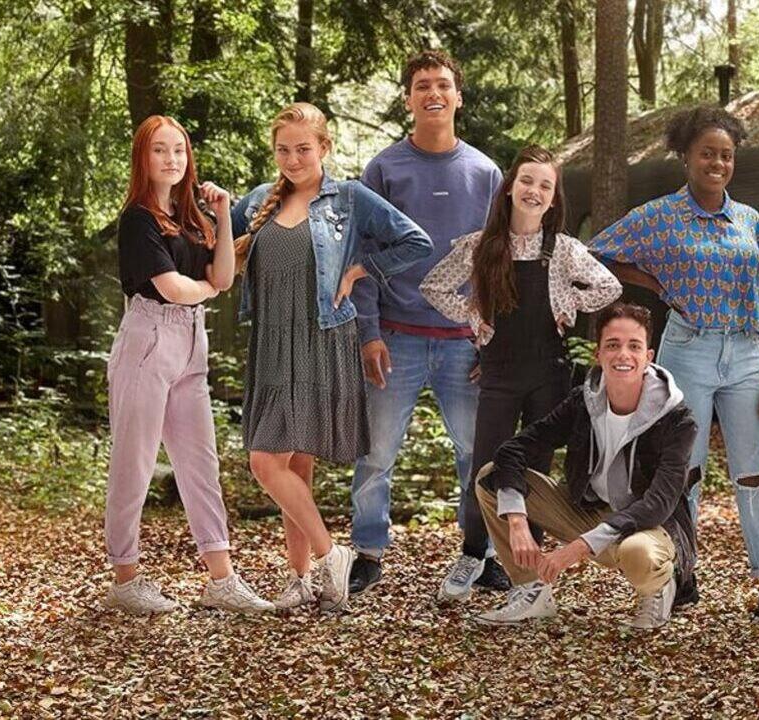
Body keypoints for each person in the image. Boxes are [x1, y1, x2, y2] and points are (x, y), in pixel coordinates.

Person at [588, 106, 759, 628]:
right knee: (682, 469)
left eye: (726, 155)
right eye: (707, 154)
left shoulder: (749, 220)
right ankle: (682, 575)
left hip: (745, 356)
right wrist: (654, 283)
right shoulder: (661, 216)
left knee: (754, 474)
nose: (718, 163)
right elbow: (597, 251)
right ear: (686, 158)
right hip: (687, 350)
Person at [231, 102, 432, 613]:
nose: (293, 159)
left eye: (304, 148)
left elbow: (415, 241)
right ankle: (302, 578)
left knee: (266, 461)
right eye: (283, 150)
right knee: (291, 466)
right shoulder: (258, 201)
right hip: (271, 341)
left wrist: (360, 269)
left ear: (324, 147)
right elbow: (213, 245)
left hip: (321, 339)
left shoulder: (349, 198)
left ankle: (330, 555)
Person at [420, 145, 621, 601]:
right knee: (486, 466)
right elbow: (433, 286)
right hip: (498, 374)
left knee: (535, 472)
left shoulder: (564, 250)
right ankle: (473, 553)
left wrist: (570, 301)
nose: (534, 191)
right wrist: (473, 314)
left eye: (545, 186)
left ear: (553, 199)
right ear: (510, 187)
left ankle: (528, 576)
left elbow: (609, 286)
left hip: (548, 374)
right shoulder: (480, 246)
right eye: (527, 181)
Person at [348, 50, 507, 600]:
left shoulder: (486, 173)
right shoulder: (384, 170)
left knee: (476, 454)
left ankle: (481, 554)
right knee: (376, 454)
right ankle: (367, 553)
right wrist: (369, 332)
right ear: (408, 99)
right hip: (396, 337)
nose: (433, 93)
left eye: (442, 84)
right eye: (422, 85)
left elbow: (498, 264)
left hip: (464, 342)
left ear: (458, 96)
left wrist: (492, 339)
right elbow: (361, 253)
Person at [103, 115, 272, 615]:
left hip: (191, 344)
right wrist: (206, 289)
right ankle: (125, 579)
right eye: (160, 150)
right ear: (143, 157)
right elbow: (175, 288)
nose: (171, 159)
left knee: (201, 463)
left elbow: (224, 275)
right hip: (148, 341)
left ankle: (221, 580)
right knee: (134, 463)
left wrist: (222, 216)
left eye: (178, 149)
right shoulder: (137, 219)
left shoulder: (193, 217)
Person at [473, 303, 697, 629]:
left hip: (648, 526)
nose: (623, 355)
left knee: (639, 553)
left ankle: (658, 590)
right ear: (598, 354)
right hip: (587, 512)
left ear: (648, 356)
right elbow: (513, 450)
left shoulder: (677, 419)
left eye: (634, 346)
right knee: (491, 478)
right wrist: (517, 520)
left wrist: (579, 547)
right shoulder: (583, 402)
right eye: (613, 345)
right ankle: (531, 590)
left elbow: (659, 503)